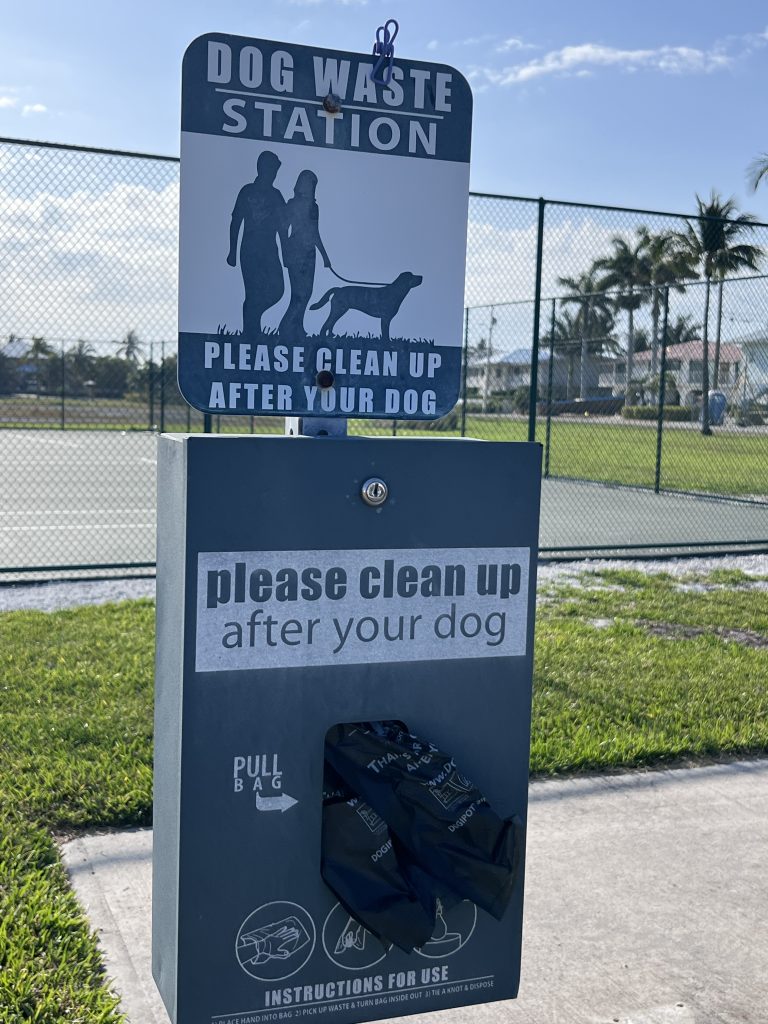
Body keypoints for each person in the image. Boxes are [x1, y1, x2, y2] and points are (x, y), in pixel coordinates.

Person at [227, 151, 287, 337]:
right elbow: (236, 220)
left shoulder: (276, 195)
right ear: (262, 168)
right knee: (253, 292)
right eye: (272, 169)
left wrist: (286, 255)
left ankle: (252, 321)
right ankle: (251, 332)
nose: (274, 173)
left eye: (276, 170)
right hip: (250, 250)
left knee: (278, 289)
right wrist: (232, 251)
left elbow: (283, 228)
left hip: (270, 250)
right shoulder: (247, 191)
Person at [279, 170, 331, 338]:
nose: (309, 186)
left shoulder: (314, 206)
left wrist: (324, 256)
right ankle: (285, 327)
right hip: (296, 251)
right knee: (298, 294)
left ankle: (297, 327)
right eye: (307, 182)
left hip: (310, 254)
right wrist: (286, 252)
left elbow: (315, 232)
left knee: (307, 293)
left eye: (312, 183)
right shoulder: (292, 204)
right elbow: (283, 228)